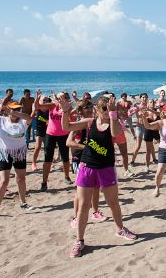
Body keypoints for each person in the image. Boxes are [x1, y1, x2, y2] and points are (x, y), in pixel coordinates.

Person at [59, 95, 137, 258]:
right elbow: (66, 127)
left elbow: (116, 134)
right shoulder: (89, 122)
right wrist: (66, 111)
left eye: (109, 108)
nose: (107, 111)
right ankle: (79, 241)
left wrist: (114, 113)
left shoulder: (113, 123)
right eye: (104, 108)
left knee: (113, 203)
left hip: (106, 168)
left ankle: (120, 230)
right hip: (87, 167)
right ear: (97, 109)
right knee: (83, 206)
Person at [0, 96, 38, 220]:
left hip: (19, 152)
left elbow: (30, 118)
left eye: (17, 109)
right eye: (12, 109)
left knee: (21, 179)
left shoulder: (22, 121)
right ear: (6, 110)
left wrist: (14, 112)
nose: (15, 112)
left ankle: (23, 203)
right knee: (4, 181)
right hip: (4, 153)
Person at [66, 99, 106, 228]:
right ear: (80, 111)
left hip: (94, 159)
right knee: (79, 192)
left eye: (90, 106)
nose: (89, 109)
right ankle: (76, 217)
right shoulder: (80, 124)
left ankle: (95, 211)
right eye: (86, 107)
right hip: (79, 160)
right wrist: (85, 147)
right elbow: (68, 142)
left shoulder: (94, 123)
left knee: (96, 187)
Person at [35, 92, 73, 190]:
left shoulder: (68, 106)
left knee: (65, 158)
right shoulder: (52, 106)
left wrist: (66, 107)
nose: (61, 99)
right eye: (59, 97)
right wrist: (37, 98)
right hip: (50, 134)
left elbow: (70, 117)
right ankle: (44, 182)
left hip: (63, 134)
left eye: (63, 97)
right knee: (48, 159)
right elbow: (37, 106)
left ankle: (66, 176)